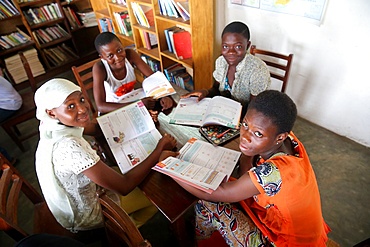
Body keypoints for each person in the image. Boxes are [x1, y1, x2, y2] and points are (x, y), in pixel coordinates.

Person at [167, 90, 330, 246]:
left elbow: (219, 193)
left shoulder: (274, 172)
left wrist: (169, 165)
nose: (245, 137)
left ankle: (200, 241)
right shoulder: (287, 140)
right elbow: (247, 167)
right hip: (299, 229)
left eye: (258, 134)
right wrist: (249, 150)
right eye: (245, 124)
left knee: (206, 202)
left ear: (280, 137)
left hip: (285, 243)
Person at [34, 78, 177, 232]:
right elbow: (124, 186)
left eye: (82, 99)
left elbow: (95, 129)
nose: (82, 109)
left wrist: (140, 117)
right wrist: (159, 148)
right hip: (89, 214)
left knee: (131, 167)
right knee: (158, 197)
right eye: (71, 106)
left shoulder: (53, 125)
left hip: (88, 190)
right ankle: (126, 231)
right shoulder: (69, 146)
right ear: (51, 113)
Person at [182, 21, 270, 115]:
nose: (231, 52)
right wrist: (205, 92)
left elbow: (254, 110)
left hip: (244, 119)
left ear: (247, 45)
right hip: (222, 111)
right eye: (225, 46)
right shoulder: (221, 62)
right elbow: (216, 90)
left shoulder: (258, 70)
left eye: (238, 46)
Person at [92, 32, 174, 120]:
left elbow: (152, 77)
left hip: (132, 99)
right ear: (102, 57)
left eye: (119, 50)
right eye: (110, 56)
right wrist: (137, 105)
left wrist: (164, 96)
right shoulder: (99, 68)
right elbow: (101, 106)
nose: (117, 57)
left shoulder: (130, 55)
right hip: (114, 108)